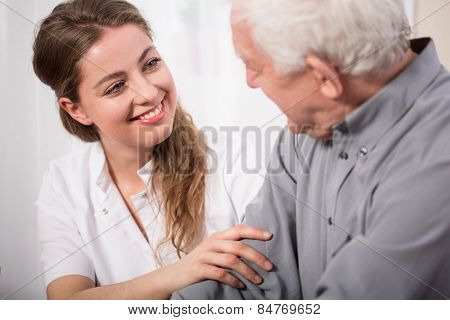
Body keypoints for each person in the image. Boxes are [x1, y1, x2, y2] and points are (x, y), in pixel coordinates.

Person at [173, 0, 450, 299]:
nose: (250, 82)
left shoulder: (437, 159)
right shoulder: (307, 128)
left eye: (254, 66)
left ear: (324, 77)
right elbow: (245, 273)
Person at [33, 0, 274, 300]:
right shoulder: (63, 183)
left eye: (150, 64)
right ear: (76, 109)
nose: (148, 92)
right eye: (116, 86)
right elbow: (66, 305)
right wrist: (179, 273)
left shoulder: (236, 160)